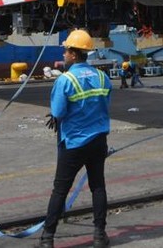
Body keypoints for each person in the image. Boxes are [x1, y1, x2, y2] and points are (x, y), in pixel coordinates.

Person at [36, 29, 112, 248]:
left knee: (60, 190)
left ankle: (47, 238)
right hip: (98, 140)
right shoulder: (102, 77)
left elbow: (58, 113)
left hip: (74, 143)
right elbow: (104, 106)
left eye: (66, 51)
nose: (63, 55)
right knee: (98, 187)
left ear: (73, 54)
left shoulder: (65, 80)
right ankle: (99, 236)